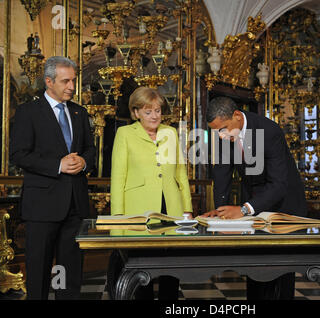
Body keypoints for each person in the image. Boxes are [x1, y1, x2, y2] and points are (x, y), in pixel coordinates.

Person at [202, 96, 307, 300]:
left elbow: (278, 184)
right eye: (216, 132)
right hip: (253, 202)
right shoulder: (223, 134)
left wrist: (242, 210)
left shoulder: (269, 132)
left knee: (280, 274)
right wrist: (221, 211)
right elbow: (222, 172)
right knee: (256, 267)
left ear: (237, 116)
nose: (220, 136)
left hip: (283, 205)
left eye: (223, 129)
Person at [10, 56, 96, 300]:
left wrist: (85, 161)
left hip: (75, 206)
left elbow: (91, 149)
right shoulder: (29, 112)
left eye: (74, 81)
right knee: (38, 273)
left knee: (70, 274)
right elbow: (18, 154)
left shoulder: (80, 112)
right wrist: (57, 165)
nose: (71, 86)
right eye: (65, 81)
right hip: (41, 207)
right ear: (48, 81)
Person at [110, 86, 193, 300]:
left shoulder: (171, 132)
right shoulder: (125, 134)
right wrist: (117, 220)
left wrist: (187, 210)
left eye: (158, 110)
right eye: (148, 111)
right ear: (136, 112)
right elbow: (118, 178)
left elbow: (181, 173)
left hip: (171, 209)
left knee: (171, 270)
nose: (155, 116)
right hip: (138, 210)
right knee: (141, 271)